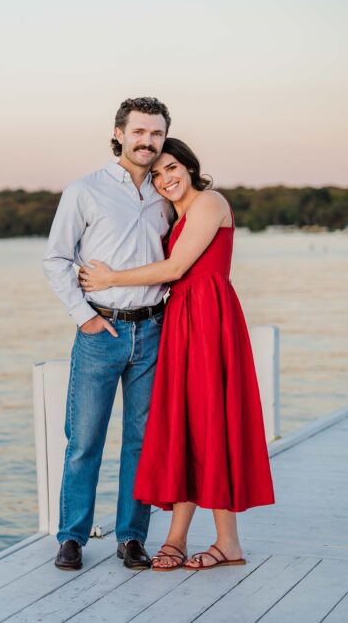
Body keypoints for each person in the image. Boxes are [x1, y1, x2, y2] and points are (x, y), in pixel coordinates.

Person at [79, 138, 275, 571]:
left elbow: (174, 269)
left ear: (189, 166)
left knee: (211, 422)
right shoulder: (175, 213)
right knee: (185, 426)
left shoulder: (209, 202)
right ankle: (177, 538)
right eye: (157, 175)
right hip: (180, 321)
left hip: (208, 318)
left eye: (172, 168)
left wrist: (110, 280)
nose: (166, 179)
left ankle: (228, 543)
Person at [42, 97, 174, 571]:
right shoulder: (86, 190)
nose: (148, 141)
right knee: (84, 440)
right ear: (119, 133)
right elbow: (56, 258)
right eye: (139, 132)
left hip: (154, 330)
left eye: (156, 134)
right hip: (101, 330)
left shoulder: (167, 192)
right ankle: (72, 537)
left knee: (141, 440)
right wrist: (84, 316)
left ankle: (132, 538)